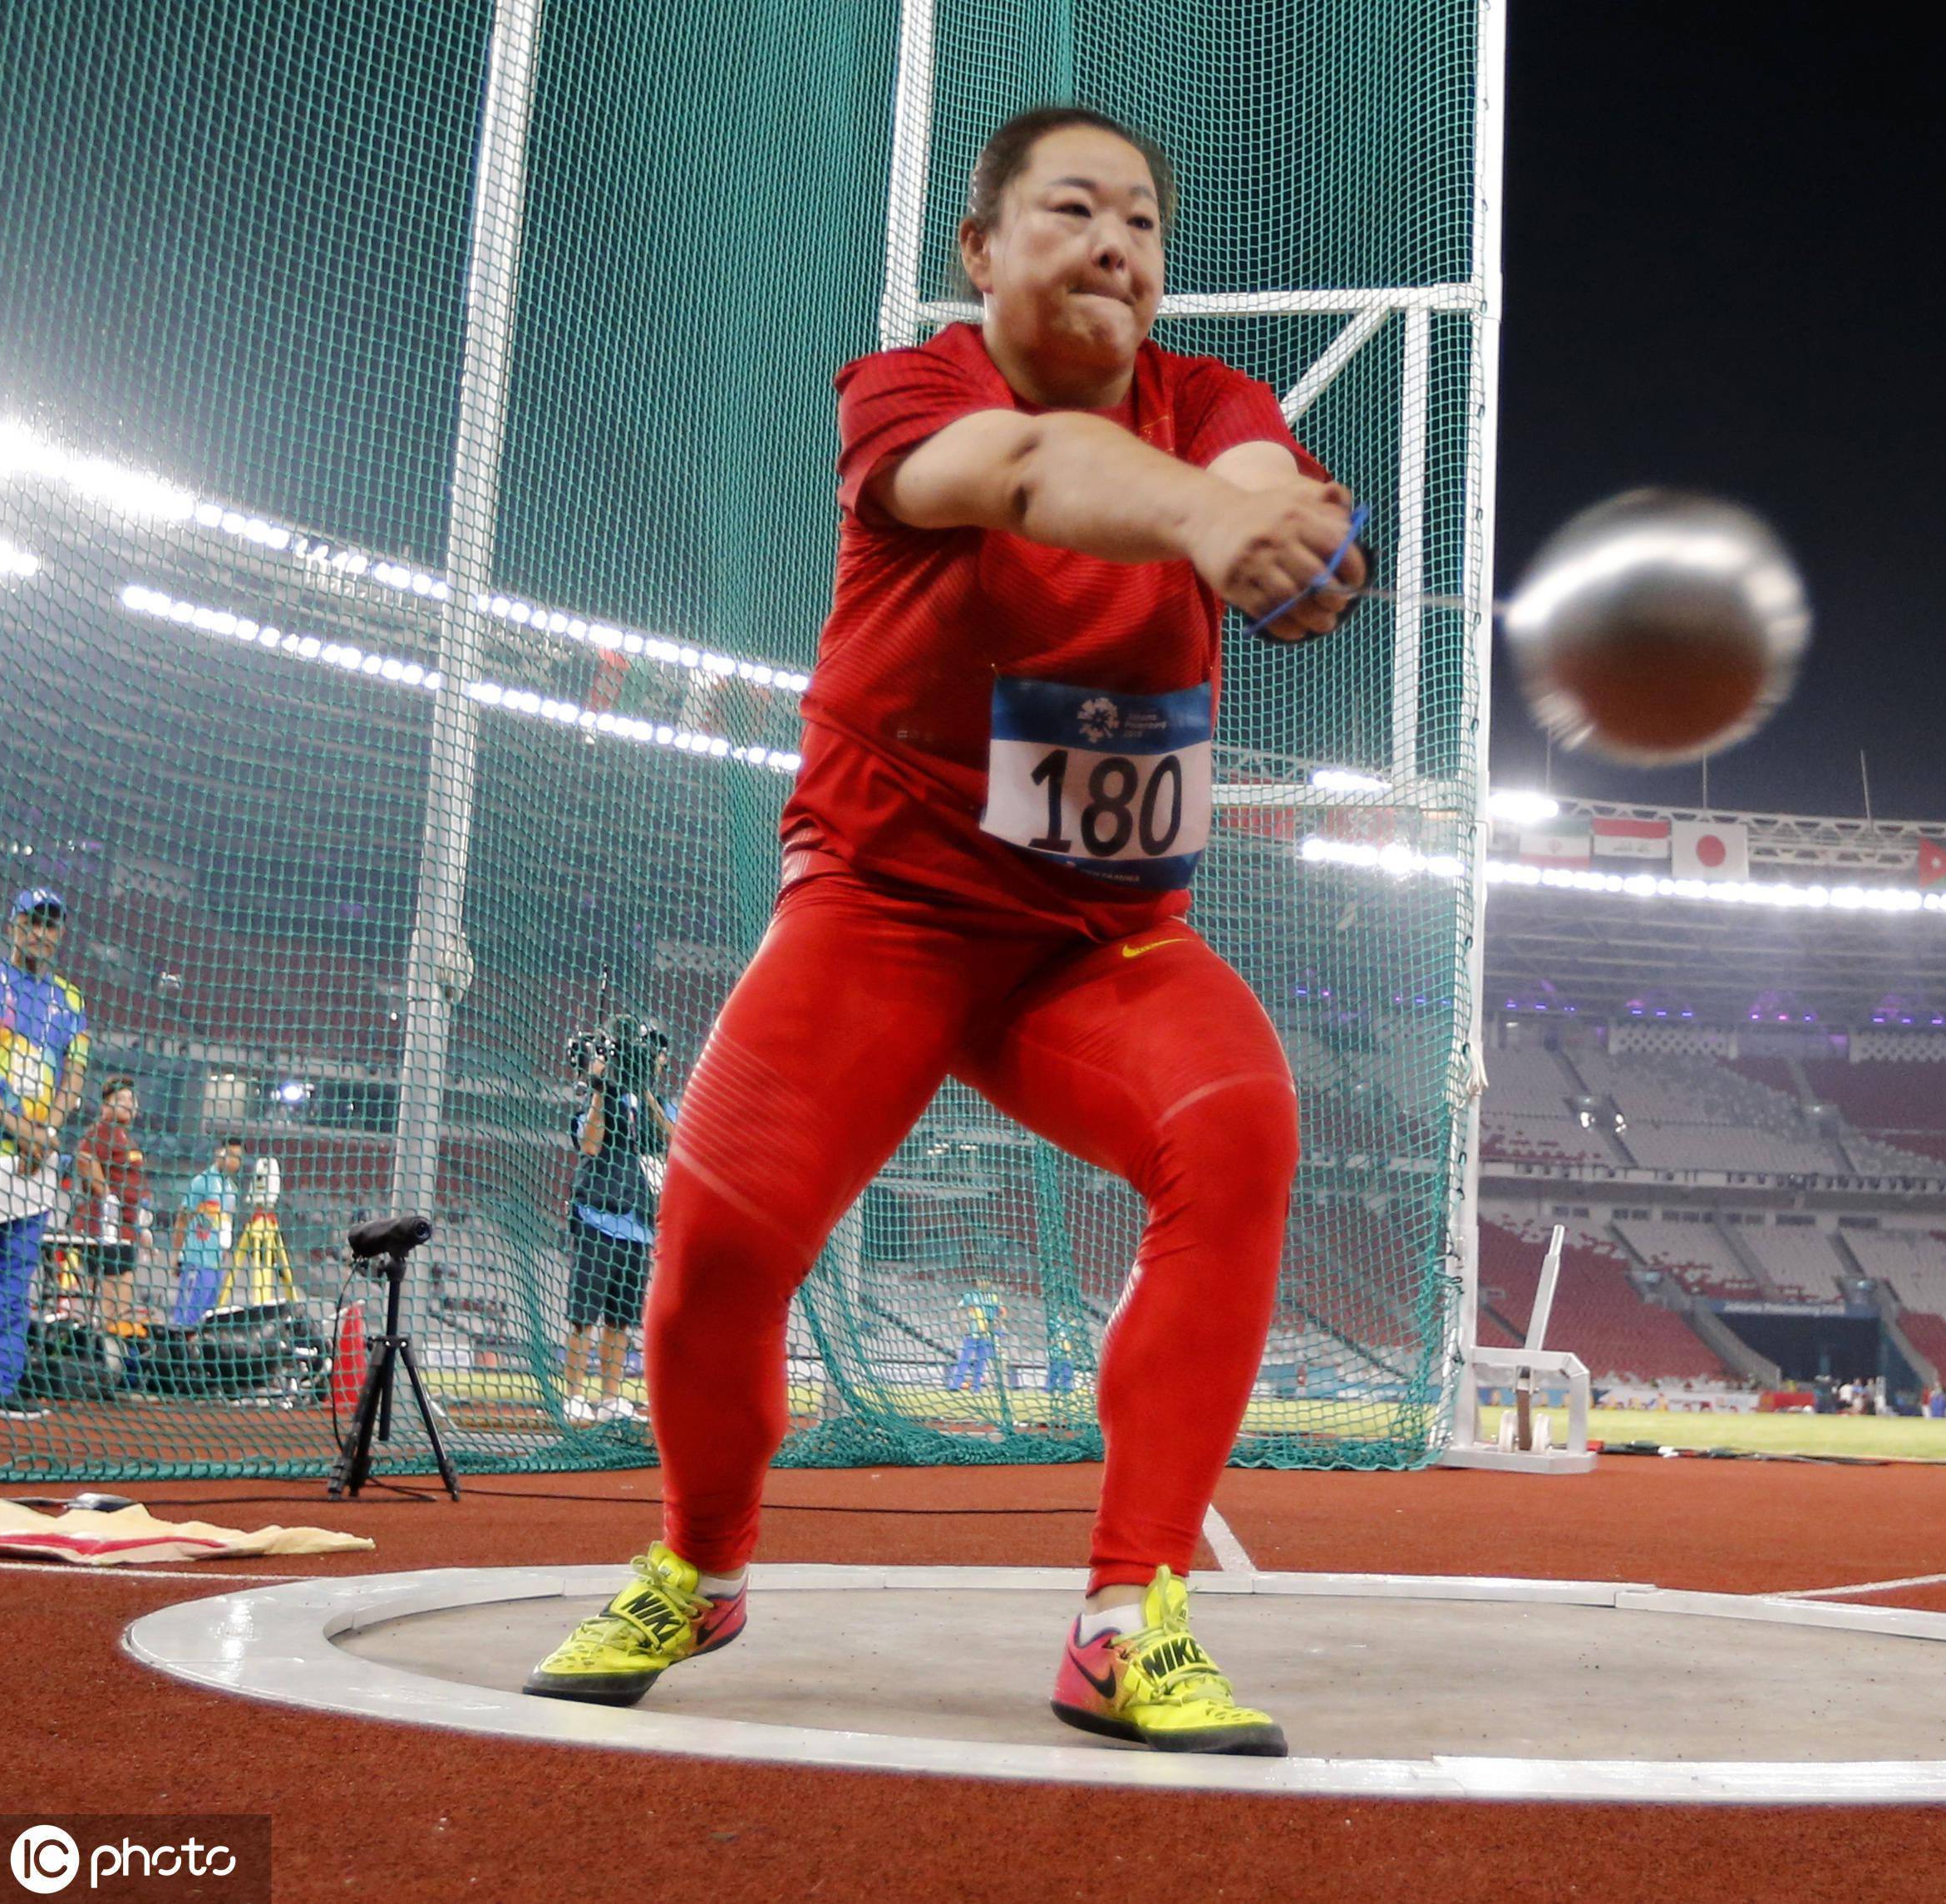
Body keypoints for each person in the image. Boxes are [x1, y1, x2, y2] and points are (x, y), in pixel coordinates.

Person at [525, 105, 1358, 1756]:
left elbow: (1259, 470)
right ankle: (696, 1558)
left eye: (1143, 219)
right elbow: (1038, 471)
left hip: (1098, 945)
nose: (1117, 240)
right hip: (883, 911)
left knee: (1243, 1121)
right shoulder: (907, 396)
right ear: (979, 254)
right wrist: (1209, 526)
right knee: (716, 1250)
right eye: (1072, 208)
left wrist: (1282, 523)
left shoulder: (1214, 412)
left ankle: (1129, 1611)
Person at [0, 889, 87, 1419]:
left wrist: (45, 1133)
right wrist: (23, 1130)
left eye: (52, 926)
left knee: (15, 1273)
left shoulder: (70, 1001)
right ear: (15, 923)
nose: (42, 934)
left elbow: (75, 1079)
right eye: (33, 922)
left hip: (35, 1161)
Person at [560, 1021, 672, 1426]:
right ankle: (573, 1395)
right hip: (597, 1222)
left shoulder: (655, 1106)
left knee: (621, 1322)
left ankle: (610, 1397)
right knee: (582, 1318)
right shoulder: (597, 1101)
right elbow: (590, 1143)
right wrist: (600, 1088)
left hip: (638, 1228)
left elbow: (676, 1139)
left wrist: (642, 1091)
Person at [71, 1076, 152, 1342]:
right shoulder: (102, 1131)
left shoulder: (125, 1137)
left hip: (126, 1229)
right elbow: (84, 1158)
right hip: (105, 1228)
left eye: (131, 1100)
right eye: (120, 1101)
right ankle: (108, 1356)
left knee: (124, 1301)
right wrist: (106, 1197)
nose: (128, 1105)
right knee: (111, 1302)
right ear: (105, 1106)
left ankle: (120, 1354)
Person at [170, 1138, 244, 1331]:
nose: (236, 1162)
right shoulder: (201, 1183)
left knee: (206, 1320)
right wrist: (177, 1254)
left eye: (239, 1158)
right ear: (220, 1153)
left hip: (216, 1264)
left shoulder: (232, 1190)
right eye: (233, 1156)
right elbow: (183, 1218)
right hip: (196, 1259)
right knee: (186, 1318)